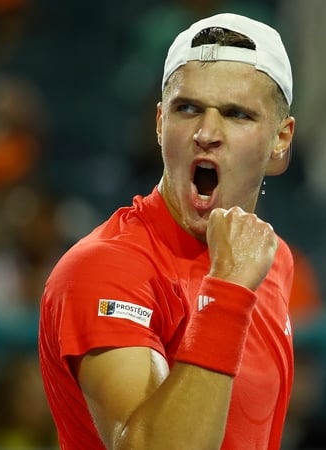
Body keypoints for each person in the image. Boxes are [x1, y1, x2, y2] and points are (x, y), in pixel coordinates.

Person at [39, 13, 296, 449]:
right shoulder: (102, 269)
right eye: (188, 108)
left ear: (280, 140)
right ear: (159, 124)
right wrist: (228, 294)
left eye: (237, 115)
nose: (207, 133)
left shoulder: (269, 259)